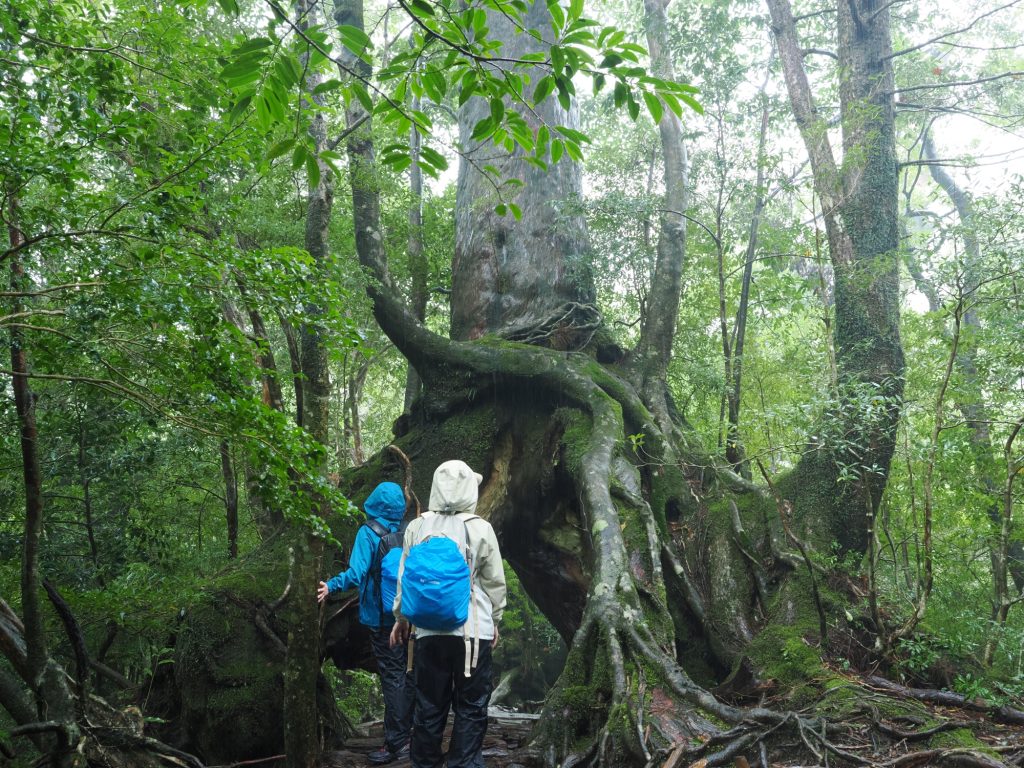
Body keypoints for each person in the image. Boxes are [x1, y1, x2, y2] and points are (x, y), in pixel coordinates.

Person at [390, 460, 506, 768]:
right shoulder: (480, 528)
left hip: (427, 632)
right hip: (473, 633)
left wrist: (401, 619)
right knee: (471, 706)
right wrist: (495, 620)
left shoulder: (417, 526)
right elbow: (494, 582)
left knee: (428, 706)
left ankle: (425, 764)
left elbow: (405, 579)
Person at [318, 481, 414, 766]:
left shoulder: (368, 532)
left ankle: (398, 743)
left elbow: (356, 573)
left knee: (392, 677)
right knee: (404, 674)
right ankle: (407, 735)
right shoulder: (407, 530)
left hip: (381, 619)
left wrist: (330, 586)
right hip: (407, 616)